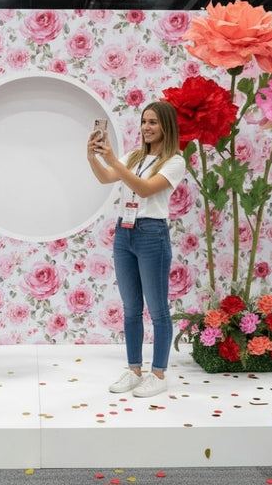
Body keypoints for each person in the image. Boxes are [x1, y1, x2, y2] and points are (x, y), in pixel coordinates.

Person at [87, 101, 185, 398]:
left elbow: (144, 189)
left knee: (158, 310)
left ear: (166, 126)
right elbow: (105, 178)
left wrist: (115, 161)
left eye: (153, 122)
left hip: (152, 234)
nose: (146, 127)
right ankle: (134, 370)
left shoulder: (175, 161)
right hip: (124, 233)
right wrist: (91, 155)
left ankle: (158, 373)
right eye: (144, 121)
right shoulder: (134, 156)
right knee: (131, 309)